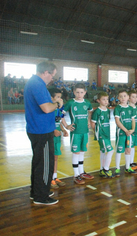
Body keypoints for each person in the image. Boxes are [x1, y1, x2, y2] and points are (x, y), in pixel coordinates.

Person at [25, 61, 63, 205]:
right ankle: (41, 196)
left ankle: (36, 191)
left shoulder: (34, 83)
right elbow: (46, 108)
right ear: (46, 72)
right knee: (45, 164)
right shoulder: (37, 84)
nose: (52, 79)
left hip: (37, 129)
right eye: (52, 75)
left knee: (38, 162)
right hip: (42, 131)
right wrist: (57, 104)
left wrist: (52, 101)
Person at [64, 83, 94, 184]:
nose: (79, 94)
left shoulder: (87, 102)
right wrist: (66, 126)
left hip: (85, 131)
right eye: (77, 92)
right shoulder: (70, 103)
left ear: (85, 92)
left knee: (82, 151)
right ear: (74, 92)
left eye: (81, 92)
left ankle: (81, 172)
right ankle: (76, 174)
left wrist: (89, 121)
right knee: (76, 152)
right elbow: (60, 114)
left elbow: (90, 112)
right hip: (75, 132)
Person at [48, 88, 68, 189]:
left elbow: (58, 121)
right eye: (58, 97)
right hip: (50, 136)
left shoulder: (59, 109)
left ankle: (54, 177)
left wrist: (63, 129)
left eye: (61, 97)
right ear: (51, 98)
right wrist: (53, 131)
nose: (60, 99)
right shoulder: (48, 109)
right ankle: (49, 178)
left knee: (56, 157)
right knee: (50, 157)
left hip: (57, 137)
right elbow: (46, 123)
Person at [91, 92, 115, 178]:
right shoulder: (97, 111)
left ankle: (101, 170)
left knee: (103, 152)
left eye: (107, 99)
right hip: (101, 135)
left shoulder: (108, 110)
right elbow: (93, 124)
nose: (106, 101)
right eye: (103, 99)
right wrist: (97, 133)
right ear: (98, 100)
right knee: (110, 150)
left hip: (107, 134)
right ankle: (106, 169)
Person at [114, 90, 136, 176]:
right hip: (121, 133)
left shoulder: (131, 108)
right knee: (119, 150)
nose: (123, 98)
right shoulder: (118, 108)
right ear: (118, 98)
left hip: (130, 133)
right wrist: (126, 130)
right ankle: (117, 168)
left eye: (124, 96)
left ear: (128, 97)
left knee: (128, 149)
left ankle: (127, 167)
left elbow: (133, 120)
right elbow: (117, 121)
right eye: (120, 96)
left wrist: (133, 129)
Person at [128, 90, 137, 171]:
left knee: (133, 146)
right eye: (133, 97)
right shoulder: (127, 108)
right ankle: (128, 162)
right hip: (130, 131)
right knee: (129, 147)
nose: (135, 99)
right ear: (129, 98)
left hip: (136, 131)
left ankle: (131, 162)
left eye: (136, 97)